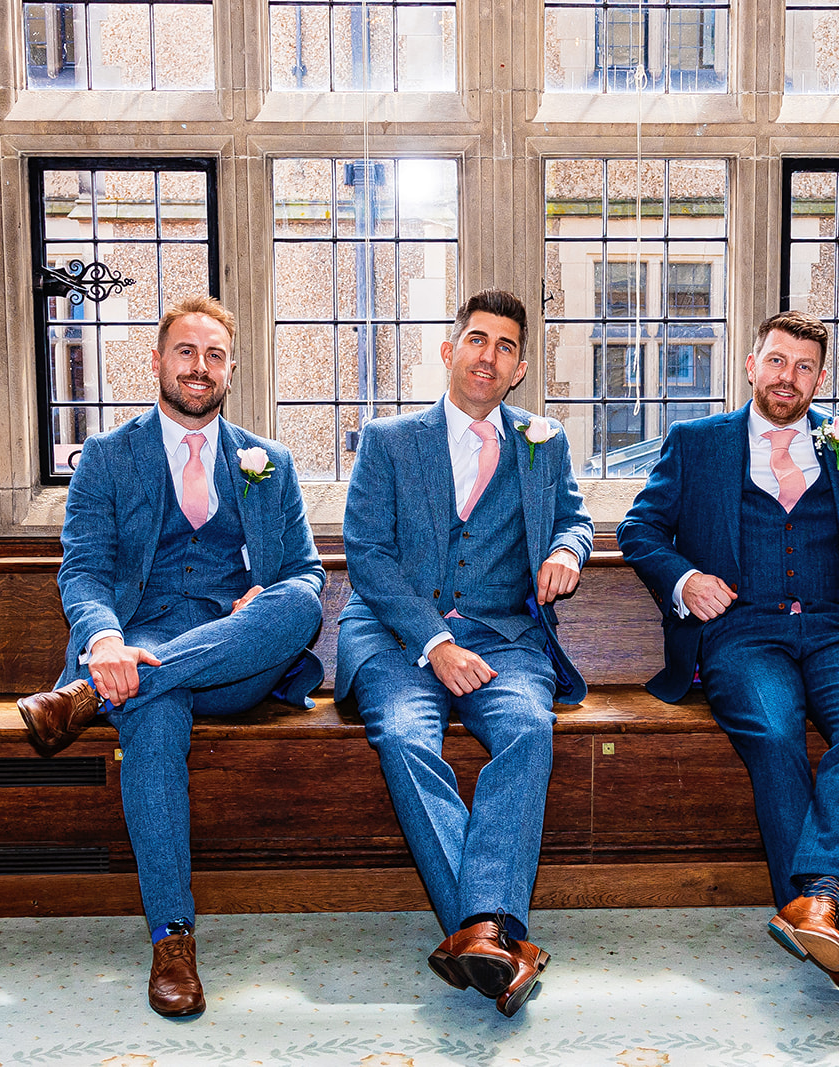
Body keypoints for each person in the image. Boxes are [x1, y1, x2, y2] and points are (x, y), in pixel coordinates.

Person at [16, 295, 326, 1018]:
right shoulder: (107, 455)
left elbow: (307, 573)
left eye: (214, 355)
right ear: (157, 362)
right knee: (153, 713)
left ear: (231, 370)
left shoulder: (268, 462)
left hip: (232, 657)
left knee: (304, 603)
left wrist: (263, 594)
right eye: (186, 351)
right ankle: (172, 939)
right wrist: (104, 641)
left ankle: (90, 695)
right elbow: (85, 569)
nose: (199, 366)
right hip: (129, 643)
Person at [617, 310, 839, 999]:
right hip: (743, 632)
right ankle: (832, 907)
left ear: (818, 377)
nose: (790, 377)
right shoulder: (698, 443)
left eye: (805, 366)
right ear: (751, 366)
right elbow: (640, 527)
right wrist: (686, 580)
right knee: (775, 729)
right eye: (777, 361)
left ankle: (814, 904)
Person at [336, 289, 592, 1016]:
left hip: (505, 636)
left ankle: (479, 931)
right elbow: (370, 558)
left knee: (526, 731)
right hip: (396, 637)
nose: (490, 355)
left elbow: (574, 516)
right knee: (408, 738)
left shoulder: (545, 442)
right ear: (451, 351)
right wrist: (436, 641)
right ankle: (496, 929)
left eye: (507, 347)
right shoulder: (388, 440)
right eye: (477, 339)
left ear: (518, 370)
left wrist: (569, 550)